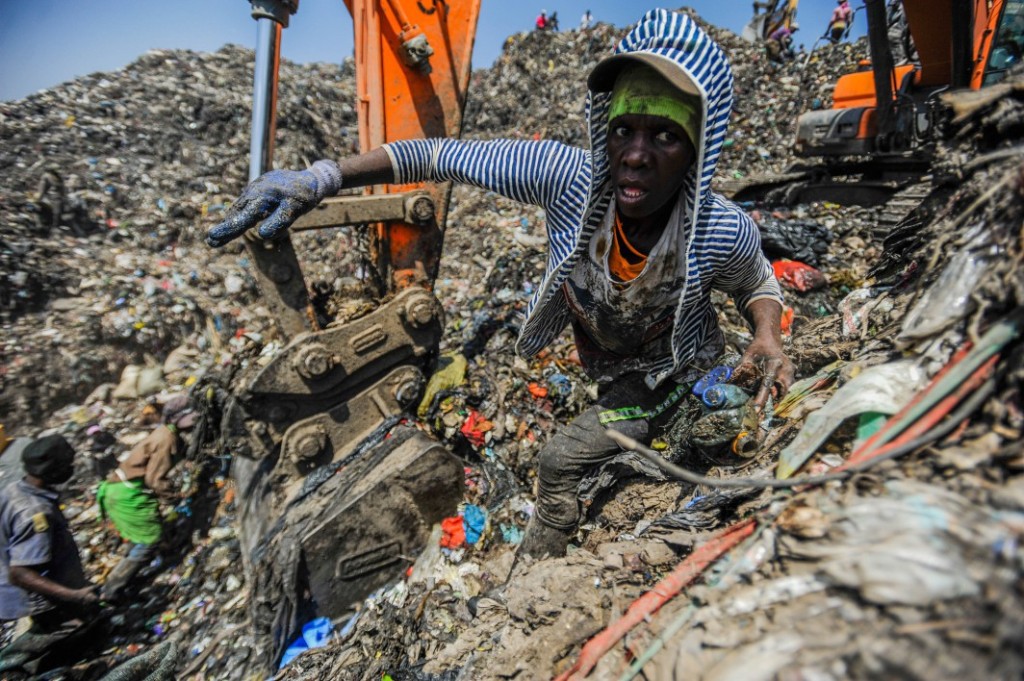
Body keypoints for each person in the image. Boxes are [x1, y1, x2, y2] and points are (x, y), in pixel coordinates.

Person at [205, 9, 794, 563]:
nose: (635, 156)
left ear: (697, 147)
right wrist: (322, 176)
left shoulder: (718, 228)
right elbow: (437, 155)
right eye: (623, 130)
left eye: (664, 136)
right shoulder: (567, 180)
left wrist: (767, 335)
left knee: (561, 459)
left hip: (671, 371)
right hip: (608, 362)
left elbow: (756, 283)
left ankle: (538, 566)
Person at [0, 434, 102, 676]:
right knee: (66, 625)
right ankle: (12, 666)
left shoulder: (14, 489)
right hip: (31, 592)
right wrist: (74, 595)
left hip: (14, 584)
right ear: (52, 470)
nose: (71, 469)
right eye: (67, 465)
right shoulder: (35, 512)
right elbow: (21, 573)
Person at [96, 395, 196, 600]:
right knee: (149, 540)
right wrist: (176, 498)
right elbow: (154, 480)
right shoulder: (167, 439)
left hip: (120, 490)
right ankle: (110, 591)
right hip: (127, 494)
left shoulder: (165, 432)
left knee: (139, 539)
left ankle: (122, 583)